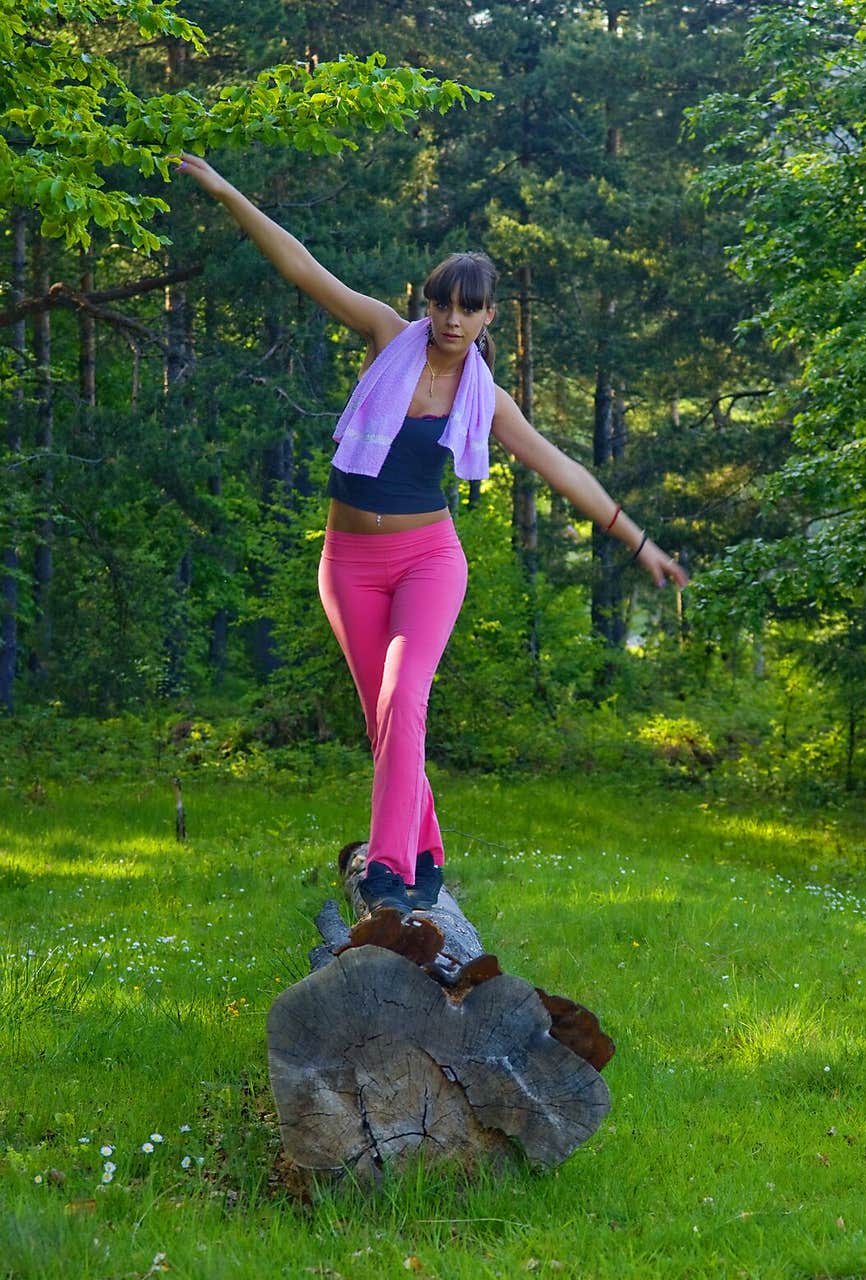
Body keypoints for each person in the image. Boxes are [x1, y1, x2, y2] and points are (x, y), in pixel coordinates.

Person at [176, 153, 689, 915]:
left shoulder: (488, 399)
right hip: (347, 561)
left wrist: (638, 539)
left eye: (468, 308)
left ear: (488, 318)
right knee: (382, 717)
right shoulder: (388, 337)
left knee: (404, 694)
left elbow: (560, 467)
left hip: (428, 559)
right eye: (442, 302)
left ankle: (388, 868)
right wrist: (226, 193)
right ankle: (426, 848)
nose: (451, 318)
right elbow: (303, 269)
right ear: (428, 303)